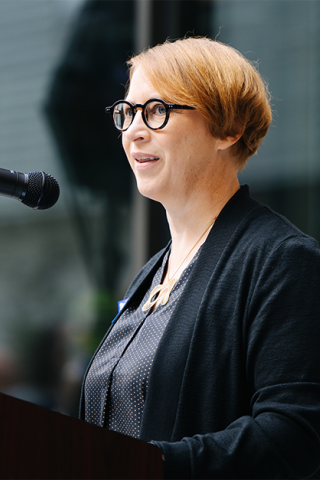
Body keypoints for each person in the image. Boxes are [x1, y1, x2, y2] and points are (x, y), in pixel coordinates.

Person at [79, 37, 320, 479]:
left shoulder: (283, 261)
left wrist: (154, 465)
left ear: (227, 129)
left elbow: (296, 434)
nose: (133, 130)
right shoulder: (149, 278)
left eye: (156, 111)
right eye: (127, 113)